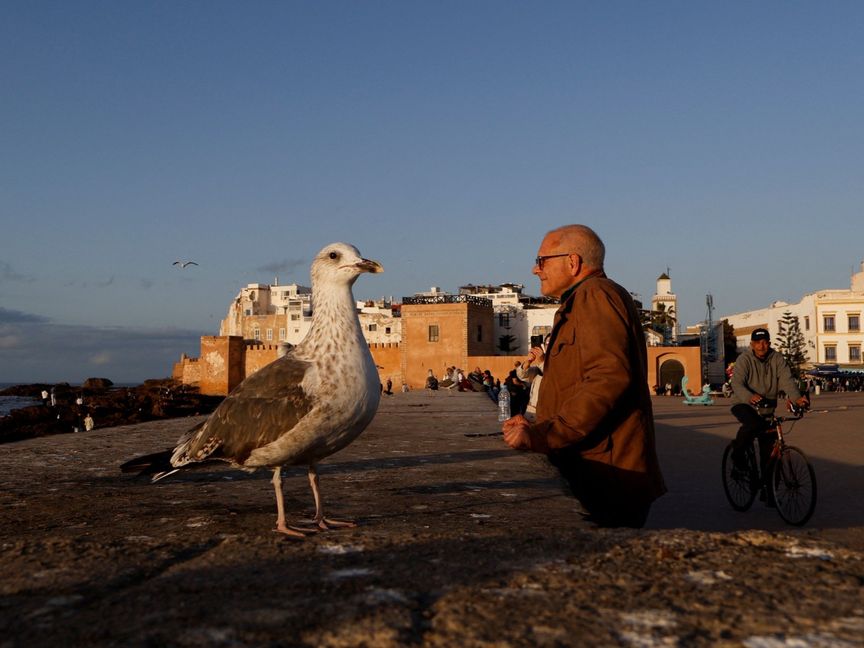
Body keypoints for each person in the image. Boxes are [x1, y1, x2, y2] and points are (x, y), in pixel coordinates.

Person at [501, 224, 666, 528]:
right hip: (596, 471)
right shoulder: (584, 300)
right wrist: (539, 424)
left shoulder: (596, 296)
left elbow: (608, 378)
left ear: (573, 262)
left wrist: (544, 435)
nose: (535, 270)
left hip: (606, 475)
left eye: (542, 261)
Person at [730, 328, 809, 481]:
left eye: (765, 342)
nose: (762, 346)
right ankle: (737, 456)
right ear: (752, 344)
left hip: (766, 408)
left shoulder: (777, 358)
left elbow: (786, 380)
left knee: (771, 451)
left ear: (769, 343)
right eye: (758, 343)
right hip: (743, 403)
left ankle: (769, 490)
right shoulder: (744, 359)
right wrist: (749, 396)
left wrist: (797, 399)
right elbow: (737, 383)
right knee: (752, 425)